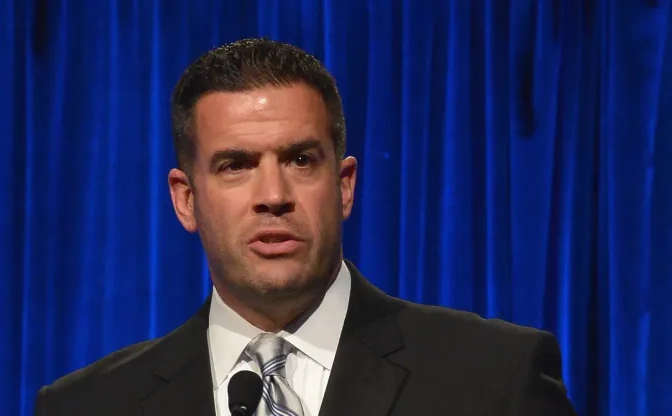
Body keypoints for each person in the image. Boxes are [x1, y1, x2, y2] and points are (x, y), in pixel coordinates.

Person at [34, 38, 577, 416]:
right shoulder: (87, 406)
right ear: (186, 200)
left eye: (300, 160)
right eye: (236, 166)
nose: (273, 196)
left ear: (344, 185)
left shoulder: (494, 378)